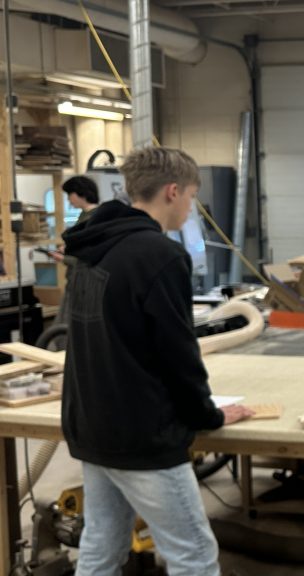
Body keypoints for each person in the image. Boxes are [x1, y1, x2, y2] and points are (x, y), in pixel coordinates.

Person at [61, 147, 253, 575]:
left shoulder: (91, 248)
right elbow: (178, 355)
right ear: (172, 191)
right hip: (142, 434)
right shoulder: (159, 255)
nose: (190, 208)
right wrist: (208, 415)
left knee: (101, 551)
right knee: (194, 556)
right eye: (191, 197)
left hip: (92, 426)